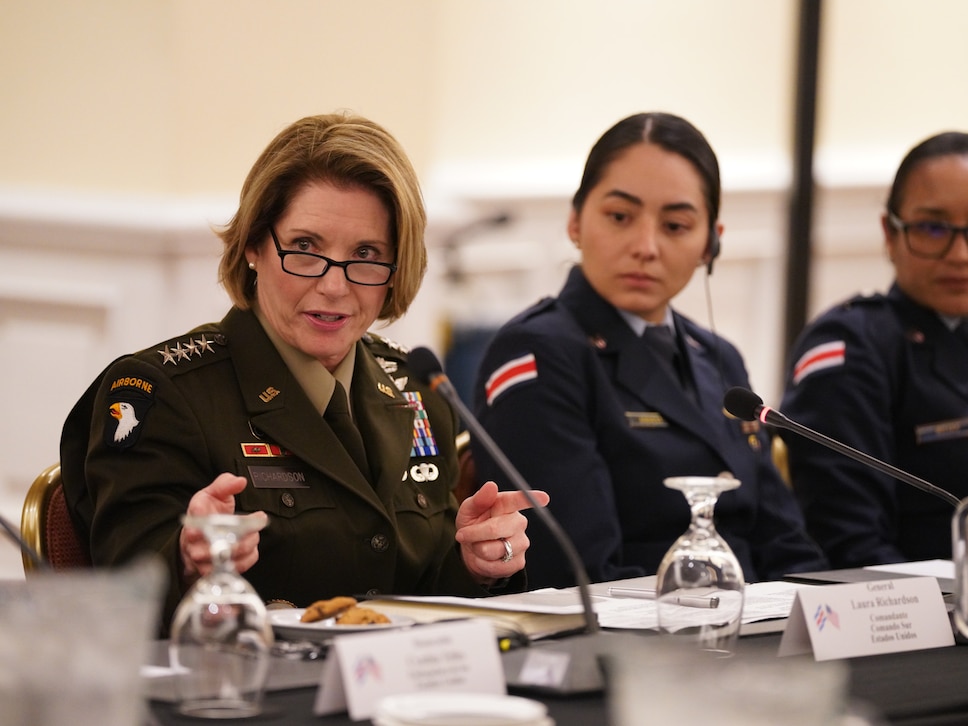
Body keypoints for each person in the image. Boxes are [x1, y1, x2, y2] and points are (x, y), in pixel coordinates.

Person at [59, 112, 548, 625]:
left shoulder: (418, 391)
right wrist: (187, 559)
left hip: (397, 694)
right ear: (253, 245)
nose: (334, 286)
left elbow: (420, 598)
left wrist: (476, 565)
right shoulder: (162, 395)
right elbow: (120, 604)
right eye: (305, 248)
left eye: (365, 254)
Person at [471, 112, 827, 589]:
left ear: (711, 244)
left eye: (676, 225)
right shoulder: (539, 353)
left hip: (753, 635)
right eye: (619, 217)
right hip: (636, 644)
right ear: (575, 221)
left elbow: (786, 542)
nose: (646, 246)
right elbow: (579, 573)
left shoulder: (720, 357)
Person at [779, 131, 968, 568]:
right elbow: (850, 546)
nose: (961, 255)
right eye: (932, 228)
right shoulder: (854, 348)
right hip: (933, 625)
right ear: (890, 233)